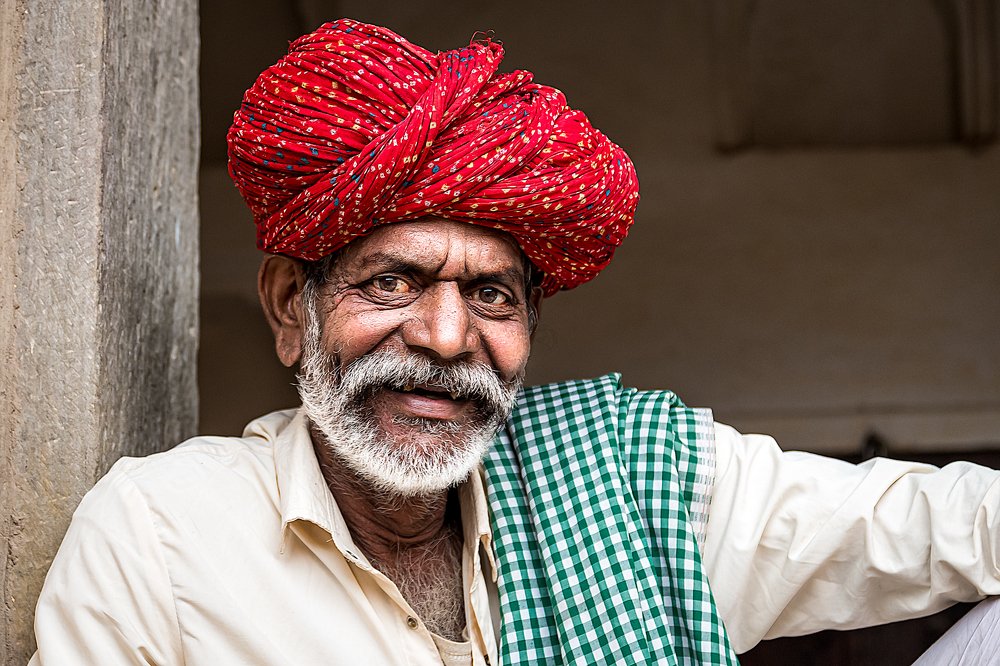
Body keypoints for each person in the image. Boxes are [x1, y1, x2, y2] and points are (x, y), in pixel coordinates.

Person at [28, 18, 1000, 665]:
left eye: (490, 294)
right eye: (392, 281)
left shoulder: (623, 485)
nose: (447, 337)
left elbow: (933, 526)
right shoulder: (162, 536)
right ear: (292, 308)